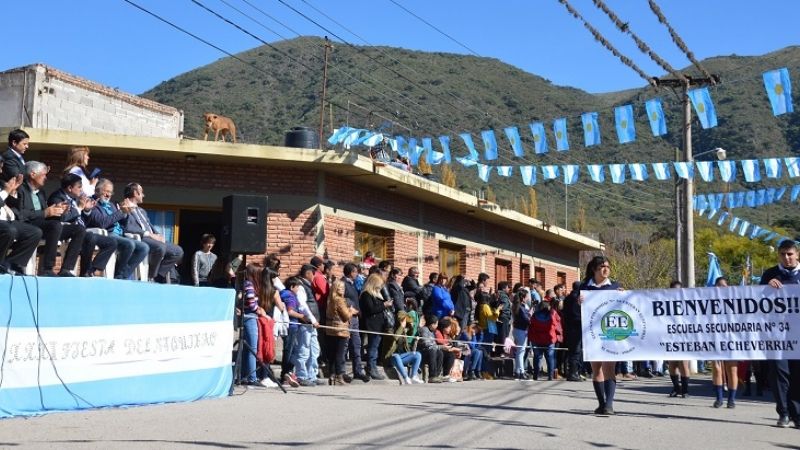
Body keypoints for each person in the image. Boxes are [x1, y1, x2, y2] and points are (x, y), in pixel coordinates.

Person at [7, 161, 84, 276]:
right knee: (55, 226)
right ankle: (48, 268)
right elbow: (21, 214)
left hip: (45, 226)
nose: (46, 178)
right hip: (29, 226)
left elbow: (46, 213)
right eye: (43, 174)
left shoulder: (41, 192)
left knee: (79, 229)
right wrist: (45, 213)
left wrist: (57, 210)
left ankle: (66, 269)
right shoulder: (21, 189)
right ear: (33, 174)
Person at [761, 239, 800, 428]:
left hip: (798, 335)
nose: (787, 258)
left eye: (790, 254)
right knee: (778, 374)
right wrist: (766, 288)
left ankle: (797, 414)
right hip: (776, 335)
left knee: (798, 376)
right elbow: (754, 303)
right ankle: (783, 413)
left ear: (797, 254)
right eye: (783, 254)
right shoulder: (769, 274)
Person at [48, 173, 117, 277]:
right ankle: (73, 270)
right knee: (89, 237)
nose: (81, 190)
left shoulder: (75, 198)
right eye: (79, 187)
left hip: (81, 230)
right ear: (70, 188)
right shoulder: (57, 197)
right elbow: (62, 218)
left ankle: (89, 271)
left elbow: (84, 218)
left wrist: (87, 210)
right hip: (65, 230)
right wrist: (79, 208)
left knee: (110, 242)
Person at [580, 255, 622, 415]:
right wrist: (578, 301)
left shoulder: (615, 287)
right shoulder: (585, 287)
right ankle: (601, 403)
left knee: (609, 367)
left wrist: (624, 296)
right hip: (590, 333)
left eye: (608, 267)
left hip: (610, 332)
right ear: (593, 269)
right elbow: (572, 311)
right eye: (602, 267)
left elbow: (625, 308)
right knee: (596, 369)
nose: (605, 270)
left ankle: (609, 405)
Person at [86, 179, 149, 280]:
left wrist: (126, 212)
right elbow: (101, 223)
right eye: (105, 191)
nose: (108, 195)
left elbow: (122, 221)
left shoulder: (111, 205)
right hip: (108, 234)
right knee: (130, 244)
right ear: (97, 191)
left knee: (144, 247)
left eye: (110, 192)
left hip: (120, 234)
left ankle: (124, 274)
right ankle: (118, 274)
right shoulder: (93, 204)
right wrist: (120, 212)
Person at [123, 183, 184, 283]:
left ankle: (158, 276)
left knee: (178, 251)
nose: (143, 195)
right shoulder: (124, 207)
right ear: (135, 193)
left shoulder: (142, 211)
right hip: (141, 238)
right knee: (160, 247)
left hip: (153, 239)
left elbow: (149, 225)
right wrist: (150, 235)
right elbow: (129, 228)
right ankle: (151, 276)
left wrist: (158, 235)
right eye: (141, 192)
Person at [0, 166, 41, 274]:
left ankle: (12, 263)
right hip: (3, 223)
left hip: (7, 219)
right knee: (9, 230)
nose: (1, 171)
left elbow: (12, 204)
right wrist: (6, 191)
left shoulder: (1, 183)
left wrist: (13, 191)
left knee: (34, 232)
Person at [239, 264, 269, 386]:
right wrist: (260, 311)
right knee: (252, 348)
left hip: (248, 316)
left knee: (247, 349)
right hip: (250, 317)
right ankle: (252, 377)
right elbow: (251, 304)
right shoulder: (250, 285)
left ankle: (245, 376)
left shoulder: (246, 284)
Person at [293, 264, 322, 386]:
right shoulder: (300, 286)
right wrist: (312, 319)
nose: (314, 276)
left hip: (312, 324)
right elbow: (302, 305)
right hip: (306, 323)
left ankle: (312, 375)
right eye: (313, 273)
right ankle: (301, 375)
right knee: (304, 350)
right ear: (307, 273)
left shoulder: (308, 286)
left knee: (315, 350)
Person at [359, 272, 392, 380]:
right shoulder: (366, 294)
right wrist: (384, 305)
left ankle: (373, 367)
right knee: (372, 348)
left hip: (379, 325)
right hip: (372, 325)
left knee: (375, 347)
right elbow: (370, 309)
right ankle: (371, 368)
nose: (380, 287)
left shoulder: (377, 294)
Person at [326, 279, 357, 386]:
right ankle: (339, 376)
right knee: (340, 354)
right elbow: (346, 316)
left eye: (344, 288)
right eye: (341, 288)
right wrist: (351, 311)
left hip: (331, 329)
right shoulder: (339, 300)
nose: (343, 290)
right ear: (336, 289)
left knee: (332, 354)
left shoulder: (330, 299)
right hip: (340, 329)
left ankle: (331, 375)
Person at [342, 263, 369, 382]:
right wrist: (351, 309)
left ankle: (358, 370)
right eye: (355, 272)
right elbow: (342, 299)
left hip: (355, 319)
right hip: (347, 317)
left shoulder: (352, 284)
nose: (357, 274)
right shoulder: (343, 283)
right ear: (351, 272)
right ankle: (342, 372)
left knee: (357, 345)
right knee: (344, 346)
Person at [382, 310, 423, 385]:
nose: (405, 322)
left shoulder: (404, 330)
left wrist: (411, 326)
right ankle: (406, 377)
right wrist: (401, 326)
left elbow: (410, 336)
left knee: (417, 355)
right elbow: (395, 338)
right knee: (396, 356)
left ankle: (413, 376)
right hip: (389, 358)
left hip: (401, 357)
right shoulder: (389, 329)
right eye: (403, 320)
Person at [666, 280, 691, 399]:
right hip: (670, 336)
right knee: (672, 364)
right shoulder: (665, 303)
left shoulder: (686, 303)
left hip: (684, 337)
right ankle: (676, 387)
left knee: (683, 363)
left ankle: (685, 390)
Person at [529, 300, 561, 380]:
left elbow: (531, 326)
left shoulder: (535, 315)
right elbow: (556, 326)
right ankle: (550, 376)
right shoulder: (552, 315)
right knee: (550, 357)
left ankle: (535, 375)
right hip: (549, 339)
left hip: (537, 339)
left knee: (537, 357)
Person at [562, 281, 584, 381]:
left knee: (572, 351)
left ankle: (573, 372)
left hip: (568, 327)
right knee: (576, 351)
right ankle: (574, 373)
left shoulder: (567, 298)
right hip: (576, 327)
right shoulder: (578, 299)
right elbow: (577, 314)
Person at [511, 288, 533, 380]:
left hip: (517, 329)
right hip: (521, 330)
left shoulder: (517, 306)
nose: (528, 298)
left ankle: (517, 371)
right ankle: (522, 372)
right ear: (523, 298)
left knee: (519, 352)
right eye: (527, 297)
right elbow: (526, 319)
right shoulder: (521, 307)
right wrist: (530, 315)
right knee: (521, 352)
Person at [418, 314, 445, 383]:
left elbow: (434, 344)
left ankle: (437, 375)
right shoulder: (424, 330)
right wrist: (440, 347)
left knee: (440, 353)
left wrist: (439, 347)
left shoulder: (432, 332)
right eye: (436, 324)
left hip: (431, 351)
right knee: (433, 351)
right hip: (423, 352)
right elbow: (426, 344)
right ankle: (432, 376)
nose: (437, 326)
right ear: (432, 324)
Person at [435, 317, 462, 382]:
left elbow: (450, 345)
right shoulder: (438, 332)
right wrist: (453, 349)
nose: (450, 329)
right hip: (438, 351)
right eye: (449, 327)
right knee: (450, 354)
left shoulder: (447, 335)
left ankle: (451, 374)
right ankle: (445, 374)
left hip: (444, 351)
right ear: (444, 327)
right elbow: (443, 345)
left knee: (454, 353)